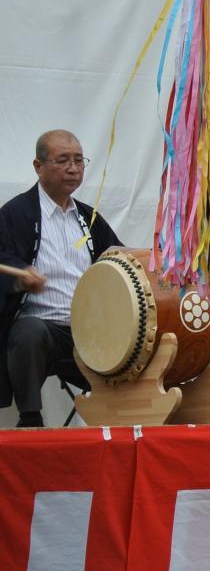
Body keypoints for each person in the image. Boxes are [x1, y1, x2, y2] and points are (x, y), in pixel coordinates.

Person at [0, 131, 121, 427]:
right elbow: (3, 261)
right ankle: (30, 417)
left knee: (136, 337)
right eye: (63, 160)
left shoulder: (89, 219)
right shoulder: (15, 214)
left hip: (90, 333)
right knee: (27, 332)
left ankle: (124, 415)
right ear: (38, 166)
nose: (73, 168)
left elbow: (119, 260)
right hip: (44, 331)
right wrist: (19, 278)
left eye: (79, 160)